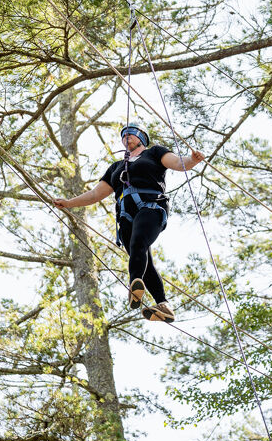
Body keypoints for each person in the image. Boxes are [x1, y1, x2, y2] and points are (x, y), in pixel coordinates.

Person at [54, 123, 204, 323]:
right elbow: (95, 194)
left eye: (131, 133)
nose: (127, 137)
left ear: (142, 137)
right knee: (143, 259)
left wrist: (192, 160)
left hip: (151, 207)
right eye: (123, 135)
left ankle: (134, 285)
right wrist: (69, 203)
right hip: (126, 215)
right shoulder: (116, 167)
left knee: (138, 244)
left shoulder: (154, 153)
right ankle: (164, 304)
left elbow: (178, 163)